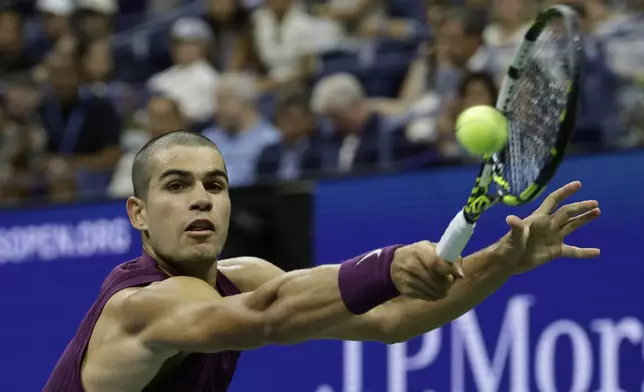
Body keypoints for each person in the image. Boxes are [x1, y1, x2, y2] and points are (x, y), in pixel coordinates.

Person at [44, 130, 601, 391]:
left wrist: (502, 257)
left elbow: (394, 320)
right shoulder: (138, 306)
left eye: (215, 184)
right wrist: (385, 264)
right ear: (138, 213)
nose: (201, 198)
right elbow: (269, 316)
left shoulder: (244, 277)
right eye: (177, 185)